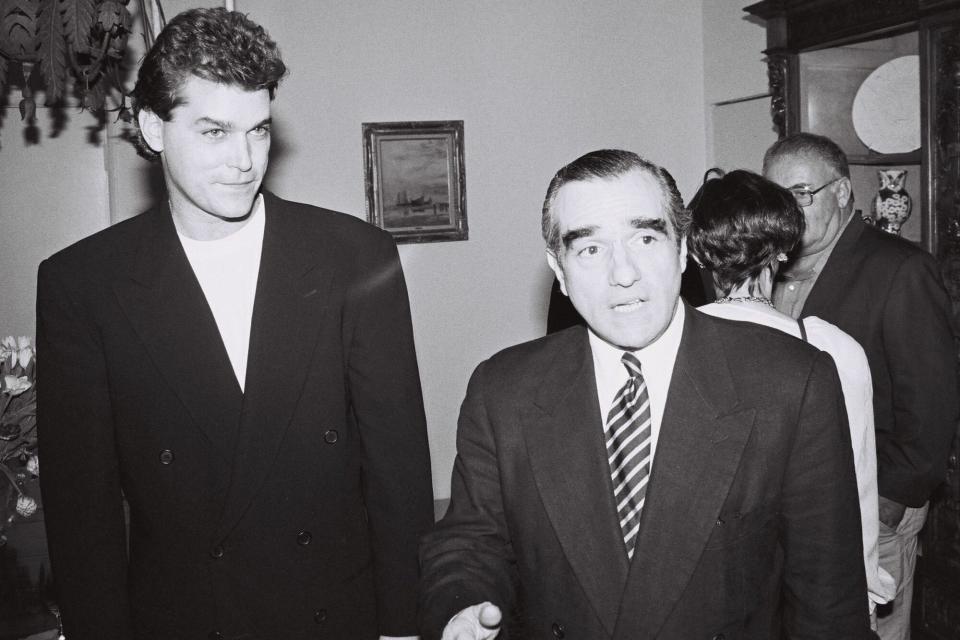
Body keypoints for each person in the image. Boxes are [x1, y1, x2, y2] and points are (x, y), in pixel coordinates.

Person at [37, 8, 433, 639]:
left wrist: (405, 628)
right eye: (215, 132)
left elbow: (400, 474)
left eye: (258, 131)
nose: (244, 161)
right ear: (153, 128)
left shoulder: (357, 258)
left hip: (334, 615)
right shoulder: (82, 286)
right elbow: (84, 518)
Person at [419, 149, 871, 639]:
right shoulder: (503, 390)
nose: (624, 273)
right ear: (560, 269)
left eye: (646, 237)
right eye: (590, 249)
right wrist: (461, 609)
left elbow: (828, 604)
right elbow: (471, 542)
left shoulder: (791, 381)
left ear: (682, 250)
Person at [763, 133, 959, 640]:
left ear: (844, 192)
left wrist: (888, 502)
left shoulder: (901, 269)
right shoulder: (770, 271)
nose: (788, 209)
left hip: (874, 505)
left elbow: (931, 404)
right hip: (797, 508)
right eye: (776, 196)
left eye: (802, 193)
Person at [687, 168, 896, 630]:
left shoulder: (665, 348)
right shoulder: (833, 349)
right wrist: (859, 597)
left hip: (702, 592)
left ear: (697, 251)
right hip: (803, 587)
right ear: (783, 249)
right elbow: (855, 490)